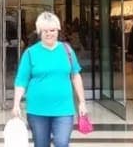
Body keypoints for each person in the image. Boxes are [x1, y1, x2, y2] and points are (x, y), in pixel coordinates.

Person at [12, 12, 88, 147]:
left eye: (52, 30)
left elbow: (75, 76)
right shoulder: (30, 53)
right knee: (41, 144)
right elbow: (21, 81)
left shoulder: (67, 51)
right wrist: (16, 103)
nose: (49, 34)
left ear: (58, 30)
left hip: (64, 108)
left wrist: (82, 102)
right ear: (39, 32)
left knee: (62, 143)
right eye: (45, 31)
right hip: (37, 109)